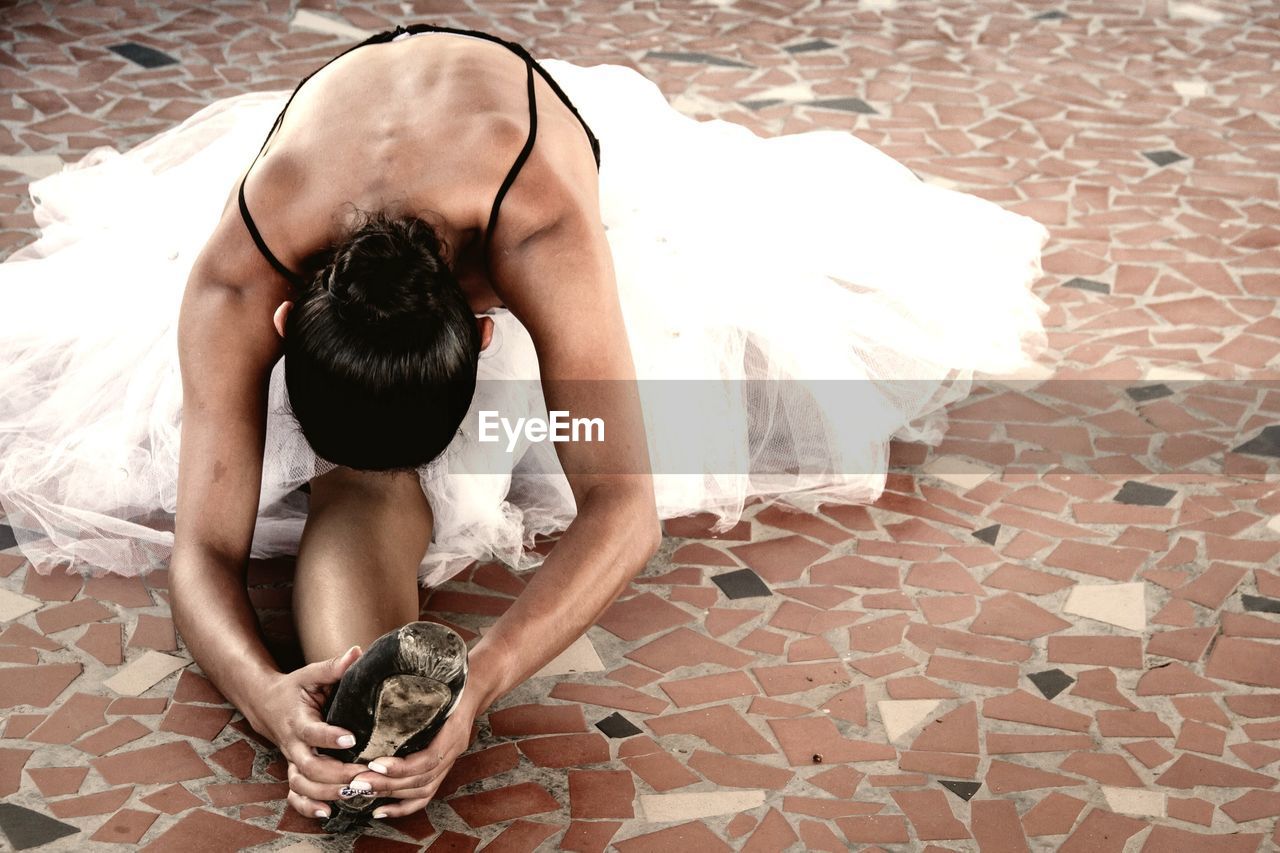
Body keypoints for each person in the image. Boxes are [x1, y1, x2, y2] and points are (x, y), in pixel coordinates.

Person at [0, 20, 1050, 823]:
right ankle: (368, 701)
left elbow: (621, 501)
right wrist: (265, 695)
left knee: (568, 435)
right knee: (357, 488)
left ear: (488, 331)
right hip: (348, 149)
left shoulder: (539, 225)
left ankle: (403, 693)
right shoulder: (238, 276)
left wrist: (486, 680)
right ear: (282, 326)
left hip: (513, 141)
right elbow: (206, 546)